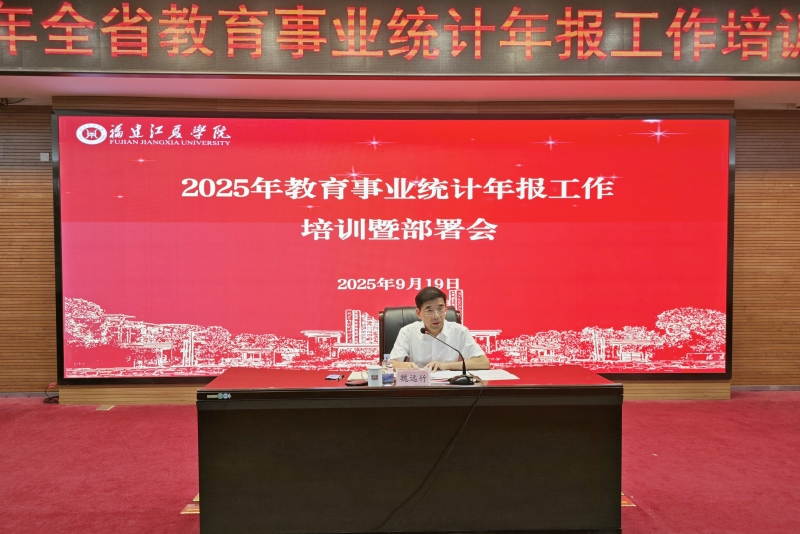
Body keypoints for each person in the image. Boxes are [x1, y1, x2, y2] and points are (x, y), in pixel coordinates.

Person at [390, 286, 490, 371]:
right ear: (418, 313)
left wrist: (445, 366)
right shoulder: (407, 332)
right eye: (429, 310)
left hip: (451, 386)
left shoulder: (460, 331)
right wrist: (405, 366)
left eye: (440, 309)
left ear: (446, 309)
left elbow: (483, 362)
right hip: (419, 385)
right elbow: (392, 363)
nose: (436, 316)